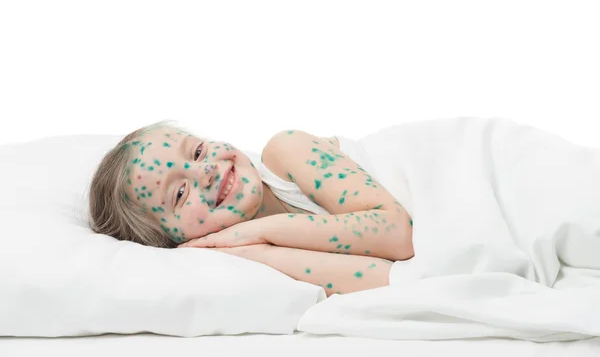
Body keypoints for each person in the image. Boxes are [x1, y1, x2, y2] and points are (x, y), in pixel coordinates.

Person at [89, 120, 414, 296]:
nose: (205, 170)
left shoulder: (286, 151)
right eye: (180, 193)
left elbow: (397, 235)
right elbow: (395, 283)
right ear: (179, 242)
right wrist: (258, 253)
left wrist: (255, 230)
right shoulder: (249, 265)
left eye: (198, 151)